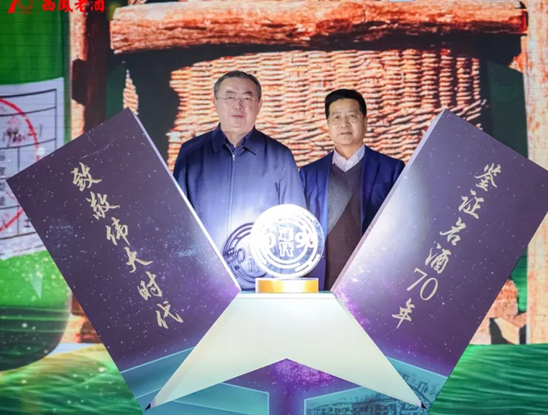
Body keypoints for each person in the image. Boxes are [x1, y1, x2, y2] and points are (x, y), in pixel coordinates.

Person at [173, 70, 305, 289]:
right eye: (230, 97)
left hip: (261, 285)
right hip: (201, 284)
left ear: (259, 105)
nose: (238, 105)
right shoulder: (190, 154)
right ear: (215, 103)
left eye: (247, 97)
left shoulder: (280, 156)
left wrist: (282, 287)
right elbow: (176, 222)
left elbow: (294, 227)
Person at [300, 89, 405, 290]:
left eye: (352, 116)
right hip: (321, 279)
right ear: (328, 125)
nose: (344, 124)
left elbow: (403, 226)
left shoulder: (392, 169)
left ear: (365, 121)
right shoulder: (309, 174)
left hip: (375, 279)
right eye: (336, 117)